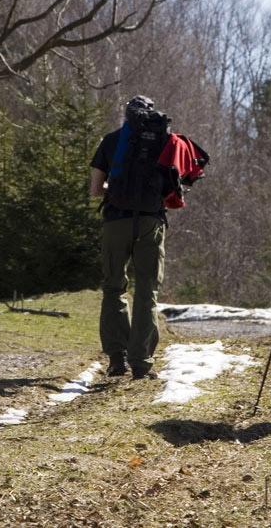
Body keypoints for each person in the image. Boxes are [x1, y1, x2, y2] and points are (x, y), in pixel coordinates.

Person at [89, 96, 166, 380]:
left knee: (114, 286)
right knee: (147, 290)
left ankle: (116, 359)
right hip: (151, 222)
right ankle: (142, 363)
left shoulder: (110, 141)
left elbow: (95, 190)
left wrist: (117, 186)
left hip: (115, 221)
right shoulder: (164, 140)